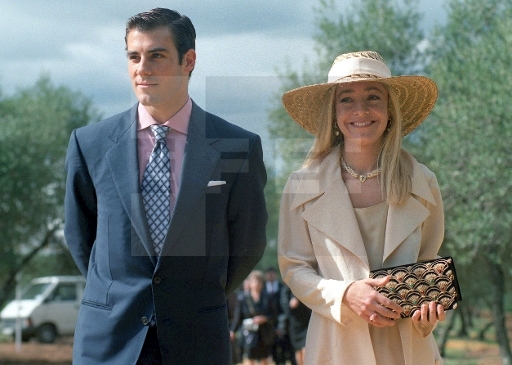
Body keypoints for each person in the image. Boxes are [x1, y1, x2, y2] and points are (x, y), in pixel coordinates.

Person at [64, 8, 267, 365]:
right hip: (108, 342)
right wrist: (116, 291)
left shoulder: (237, 146)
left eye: (157, 55)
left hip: (197, 340)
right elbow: (81, 237)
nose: (143, 68)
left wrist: (192, 294)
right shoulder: (90, 144)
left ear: (188, 60)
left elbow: (247, 244)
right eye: (134, 56)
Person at [278, 51, 446, 365]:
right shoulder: (302, 185)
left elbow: (428, 264)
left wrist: (428, 313)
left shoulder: (423, 182)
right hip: (337, 347)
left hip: (408, 349)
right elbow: (294, 268)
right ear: (333, 112)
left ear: (389, 109)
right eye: (346, 99)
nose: (361, 110)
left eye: (373, 96)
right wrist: (345, 295)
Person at [230, 270, 274, 365]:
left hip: (264, 334)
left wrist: (264, 318)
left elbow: (274, 315)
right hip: (249, 334)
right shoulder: (243, 298)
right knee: (250, 358)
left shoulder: (268, 298)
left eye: (259, 281)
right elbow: (238, 317)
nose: (257, 284)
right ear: (250, 283)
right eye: (254, 281)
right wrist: (233, 330)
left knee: (264, 358)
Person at [280, 285, 311, 365]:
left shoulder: (303, 287)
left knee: (305, 349)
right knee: (298, 351)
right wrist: (290, 305)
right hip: (294, 326)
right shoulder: (286, 290)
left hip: (305, 323)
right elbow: (284, 308)